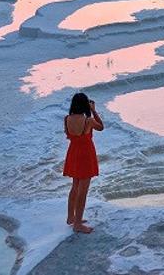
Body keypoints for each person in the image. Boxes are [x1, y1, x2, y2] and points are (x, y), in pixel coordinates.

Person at [63, 92, 104, 233]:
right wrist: (93, 110)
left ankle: (71, 217)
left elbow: (68, 135)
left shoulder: (67, 119)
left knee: (75, 186)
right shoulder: (88, 121)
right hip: (85, 155)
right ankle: (78, 224)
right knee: (83, 191)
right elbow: (101, 127)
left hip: (73, 153)